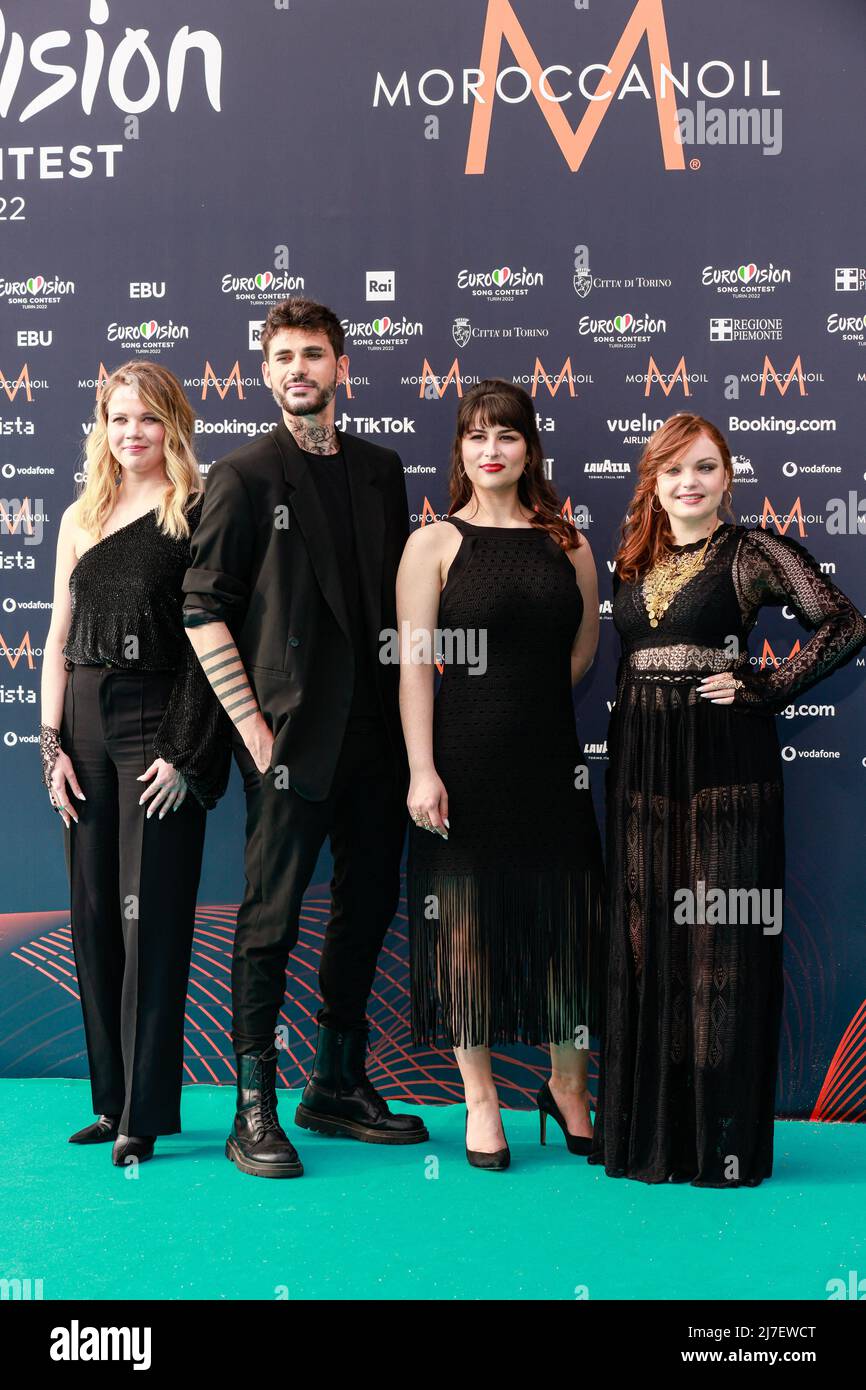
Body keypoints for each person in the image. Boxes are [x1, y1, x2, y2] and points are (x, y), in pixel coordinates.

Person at [182, 295, 427, 1180]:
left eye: (314, 354)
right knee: (270, 920)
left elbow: (399, 608)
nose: (299, 369)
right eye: (283, 355)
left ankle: (336, 1079)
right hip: (289, 742)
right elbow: (203, 607)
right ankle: (253, 1104)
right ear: (264, 370)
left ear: (341, 367)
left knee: (368, 906)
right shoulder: (243, 476)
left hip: (378, 739)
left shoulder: (380, 469)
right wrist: (252, 727)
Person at [588, 412, 866, 1188]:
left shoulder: (752, 552)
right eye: (674, 469)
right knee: (646, 933)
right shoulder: (632, 557)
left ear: (727, 478)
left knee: (719, 937)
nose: (689, 482)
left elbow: (843, 623)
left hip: (722, 764)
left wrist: (766, 686)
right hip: (644, 762)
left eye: (705, 468)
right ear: (654, 478)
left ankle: (717, 1142)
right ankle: (653, 1136)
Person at [398, 379, 605, 1169]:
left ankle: (568, 1089)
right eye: (477, 436)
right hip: (465, 760)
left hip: (553, 764)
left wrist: (532, 696)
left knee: (568, 933)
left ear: (529, 449)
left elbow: (581, 647)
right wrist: (422, 769)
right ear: (460, 450)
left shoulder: (568, 541)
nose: (491, 450)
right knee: (466, 935)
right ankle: (481, 1102)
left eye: (507, 436)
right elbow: (415, 668)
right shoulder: (433, 544)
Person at [40, 361, 231, 1167]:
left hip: (159, 716)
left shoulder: (198, 509)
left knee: (151, 917)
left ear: (173, 425)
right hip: (82, 718)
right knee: (92, 916)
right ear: (102, 425)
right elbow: (54, 636)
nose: (133, 434)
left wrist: (184, 752)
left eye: (148, 419)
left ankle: (145, 1114)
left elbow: (209, 640)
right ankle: (109, 1099)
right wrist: (49, 747)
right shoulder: (81, 514)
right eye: (119, 419)